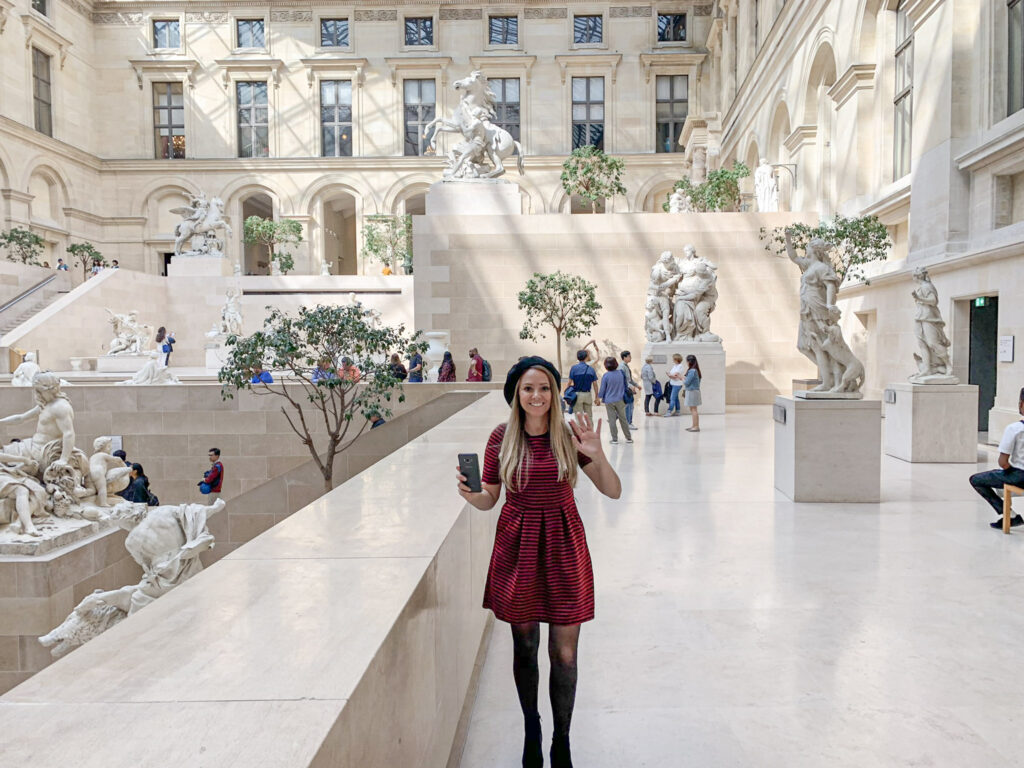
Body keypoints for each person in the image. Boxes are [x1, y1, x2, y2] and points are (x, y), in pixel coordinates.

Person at [456, 356, 621, 768]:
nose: (537, 396)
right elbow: (489, 497)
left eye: (544, 388)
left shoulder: (569, 435)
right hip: (518, 547)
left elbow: (614, 492)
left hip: (565, 547)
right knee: (525, 645)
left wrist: (597, 456)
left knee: (564, 654)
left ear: (553, 393)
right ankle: (532, 727)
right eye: (529, 388)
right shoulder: (501, 438)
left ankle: (561, 740)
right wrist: (471, 495)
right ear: (516, 394)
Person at [970, 387, 1024, 529]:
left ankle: (1009, 514)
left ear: (1021, 405)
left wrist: (1009, 471)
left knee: (976, 480)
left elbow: (1003, 462)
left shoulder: (1015, 429)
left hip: (1020, 475)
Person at [598, 357, 632, 444]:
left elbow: (602, 389)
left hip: (609, 400)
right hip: (620, 399)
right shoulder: (621, 373)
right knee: (623, 419)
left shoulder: (606, 376)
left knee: (612, 419)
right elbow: (625, 385)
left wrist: (599, 397)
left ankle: (614, 439)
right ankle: (628, 438)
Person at [566, 350, 599, 419]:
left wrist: (567, 394)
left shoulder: (574, 368)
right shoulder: (591, 369)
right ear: (586, 357)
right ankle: (590, 429)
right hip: (587, 394)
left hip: (577, 395)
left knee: (578, 417)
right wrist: (596, 397)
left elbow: (569, 382)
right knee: (589, 417)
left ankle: (579, 429)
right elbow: (595, 384)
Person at [619, 350, 640, 429]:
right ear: (624, 357)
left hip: (628, 388)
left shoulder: (626, 366)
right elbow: (623, 380)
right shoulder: (621, 367)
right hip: (626, 389)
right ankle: (628, 423)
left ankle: (616, 417)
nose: (631, 358)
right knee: (629, 406)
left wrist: (636, 385)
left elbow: (629, 379)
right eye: (629, 356)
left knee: (628, 405)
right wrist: (630, 386)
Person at [683, 354, 702, 432]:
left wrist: (681, 378)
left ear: (689, 362)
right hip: (694, 391)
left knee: (693, 409)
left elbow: (687, 382)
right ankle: (694, 425)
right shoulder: (695, 370)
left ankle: (696, 426)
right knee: (693, 409)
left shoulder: (692, 370)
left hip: (692, 391)